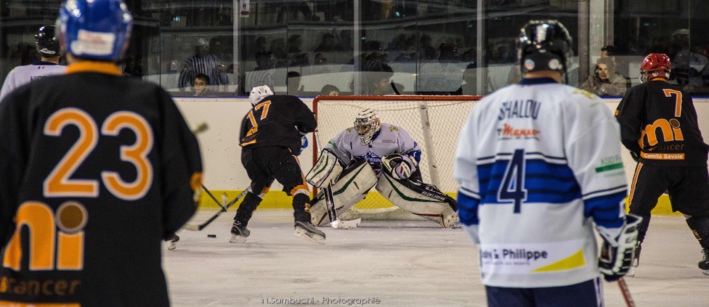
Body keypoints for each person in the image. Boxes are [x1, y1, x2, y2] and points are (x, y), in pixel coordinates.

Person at [0, 0, 203, 305]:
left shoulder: (24, 100)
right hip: (130, 285)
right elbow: (183, 197)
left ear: (65, 38)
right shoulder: (153, 102)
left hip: (42, 284)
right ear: (123, 43)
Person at [454, 20, 640, 306]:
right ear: (565, 59)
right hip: (565, 265)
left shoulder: (486, 109)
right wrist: (616, 238)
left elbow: (467, 196)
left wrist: (492, 246)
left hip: (500, 267)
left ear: (522, 58)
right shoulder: (585, 106)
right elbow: (603, 189)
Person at [615, 53, 709, 276]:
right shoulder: (683, 94)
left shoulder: (638, 91)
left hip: (657, 159)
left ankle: (628, 258)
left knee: (638, 208)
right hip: (693, 161)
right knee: (698, 211)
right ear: (667, 73)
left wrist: (639, 151)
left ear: (646, 74)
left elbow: (623, 129)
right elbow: (690, 128)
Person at [306, 108, 458, 228]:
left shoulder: (393, 132)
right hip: (364, 174)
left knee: (409, 194)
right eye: (359, 127)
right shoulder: (348, 135)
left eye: (365, 127)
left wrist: (406, 164)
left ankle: (448, 210)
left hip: (393, 174)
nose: (361, 131)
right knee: (346, 186)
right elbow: (334, 151)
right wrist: (330, 165)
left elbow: (414, 151)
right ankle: (316, 214)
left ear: (375, 124)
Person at [231, 85, 325, 244]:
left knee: (259, 186)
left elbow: (242, 140)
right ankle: (303, 220)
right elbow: (310, 123)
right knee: (298, 185)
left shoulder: (248, 116)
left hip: (249, 155)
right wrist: (296, 135)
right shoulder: (286, 100)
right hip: (276, 148)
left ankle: (239, 224)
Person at [0, 25, 67, 102]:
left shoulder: (16, 74)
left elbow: (3, 108)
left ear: (37, 45)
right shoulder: (70, 74)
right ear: (62, 47)